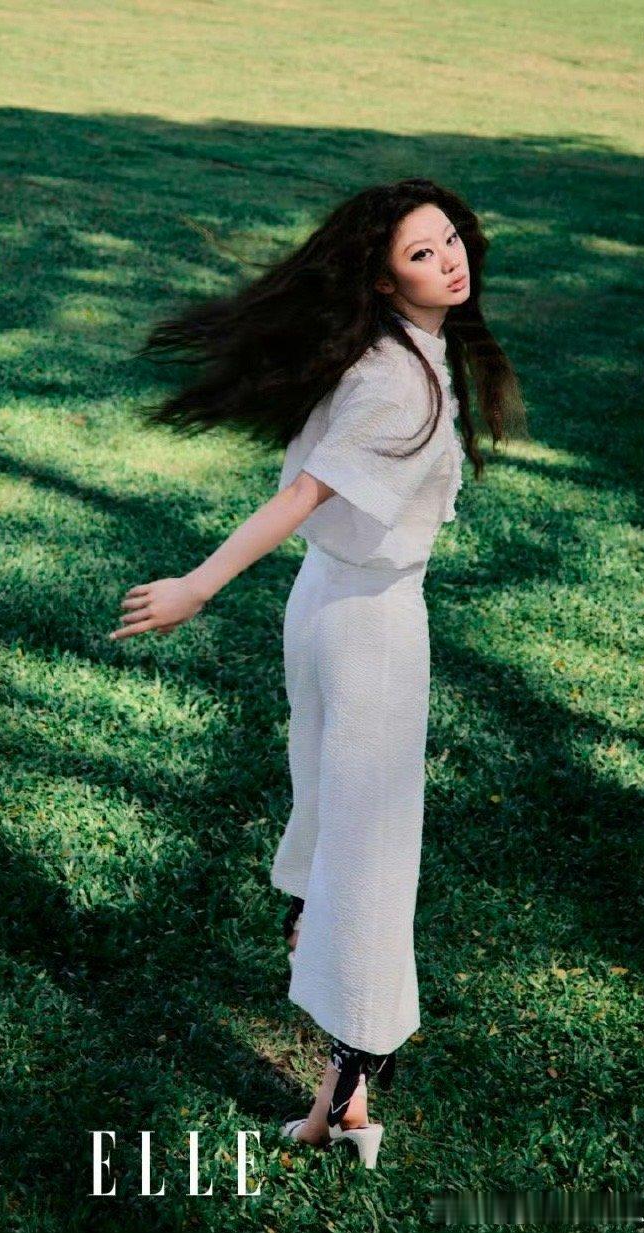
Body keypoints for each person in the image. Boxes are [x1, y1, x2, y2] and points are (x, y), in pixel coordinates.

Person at [107, 178, 527, 1167]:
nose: (450, 261)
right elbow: (303, 494)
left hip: (335, 609)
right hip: (368, 629)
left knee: (341, 840)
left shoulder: (395, 350)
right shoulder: (397, 381)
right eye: (422, 253)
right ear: (382, 279)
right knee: (367, 862)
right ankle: (346, 1097)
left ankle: (338, 1098)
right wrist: (198, 585)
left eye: (450, 240)